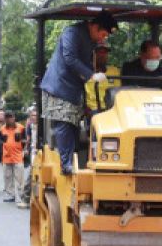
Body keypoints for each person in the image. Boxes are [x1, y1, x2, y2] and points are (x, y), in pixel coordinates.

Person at [39, 11, 116, 175]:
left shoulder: (91, 40)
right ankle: (65, 164)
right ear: (95, 27)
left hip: (74, 89)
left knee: (74, 126)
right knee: (64, 122)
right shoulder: (72, 33)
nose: (102, 39)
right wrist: (91, 75)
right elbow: (70, 58)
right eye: (102, 34)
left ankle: (74, 161)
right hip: (58, 87)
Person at [0, 112, 28, 207]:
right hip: (6, 156)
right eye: (6, 117)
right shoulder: (2, 129)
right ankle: (11, 195)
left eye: (10, 117)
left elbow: (25, 140)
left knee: (19, 177)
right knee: (7, 177)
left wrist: (22, 149)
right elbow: (2, 141)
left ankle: (19, 196)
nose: (8, 119)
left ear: (14, 117)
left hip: (18, 156)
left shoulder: (21, 128)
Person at [84, 45, 121, 112]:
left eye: (105, 53)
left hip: (112, 109)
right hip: (94, 109)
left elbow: (118, 92)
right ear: (92, 54)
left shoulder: (114, 71)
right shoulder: (86, 72)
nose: (102, 55)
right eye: (99, 52)